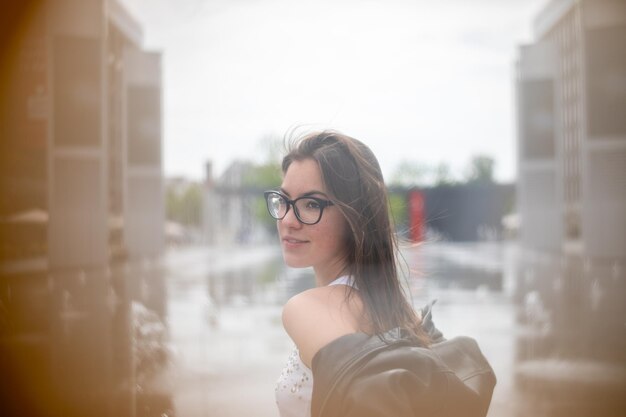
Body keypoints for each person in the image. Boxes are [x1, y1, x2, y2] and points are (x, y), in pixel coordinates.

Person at [266, 131, 495, 417]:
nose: (287, 220)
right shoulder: (402, 313)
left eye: (311, 204)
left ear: (355, 216)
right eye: (284, 200)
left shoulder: (305, 308)